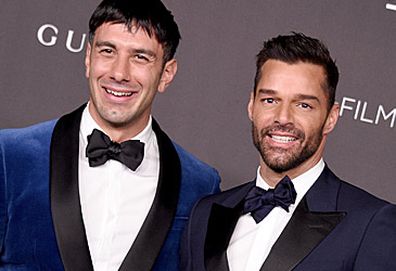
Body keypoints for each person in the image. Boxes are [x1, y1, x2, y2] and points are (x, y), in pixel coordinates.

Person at [0, 0, 221, 270]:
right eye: (108, 51)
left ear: (166, 74)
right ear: (88, 58)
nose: (119, 73)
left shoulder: (200, 185)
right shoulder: (10, 156)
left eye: (140, 57)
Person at [181, 32, 396, 271]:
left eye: (303, 105)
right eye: (270, 100)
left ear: (331, 118)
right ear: (252, 106)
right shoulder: (205, 213)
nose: (283, 118)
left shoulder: (370, 223)